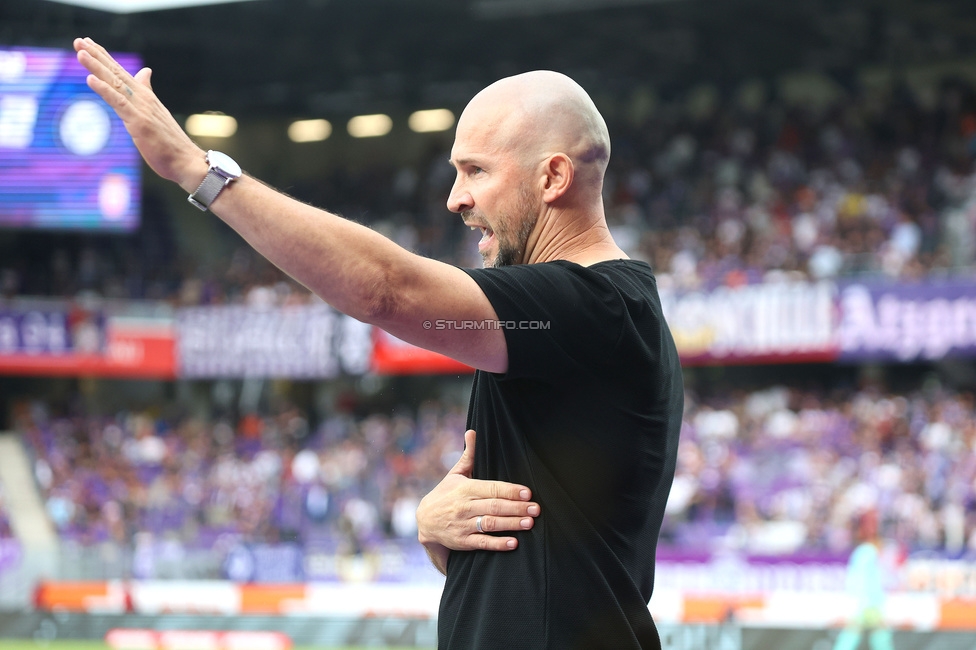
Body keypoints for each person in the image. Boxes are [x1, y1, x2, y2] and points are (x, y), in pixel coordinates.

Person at [74, 37, 683, 649]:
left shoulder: (593, 309)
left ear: (553, 176)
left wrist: (197, 171)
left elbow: (385, 290)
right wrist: (437, 531)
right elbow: (547, 559)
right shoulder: (576, 321)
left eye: (476, 170)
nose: (455, 198)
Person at [833, 511, 896, 650]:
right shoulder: (867, 552)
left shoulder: (864, 552)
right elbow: (863, 581)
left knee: (868, 633)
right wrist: (865, 603)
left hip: (867, 603)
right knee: (870, 633)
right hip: (868, 603)